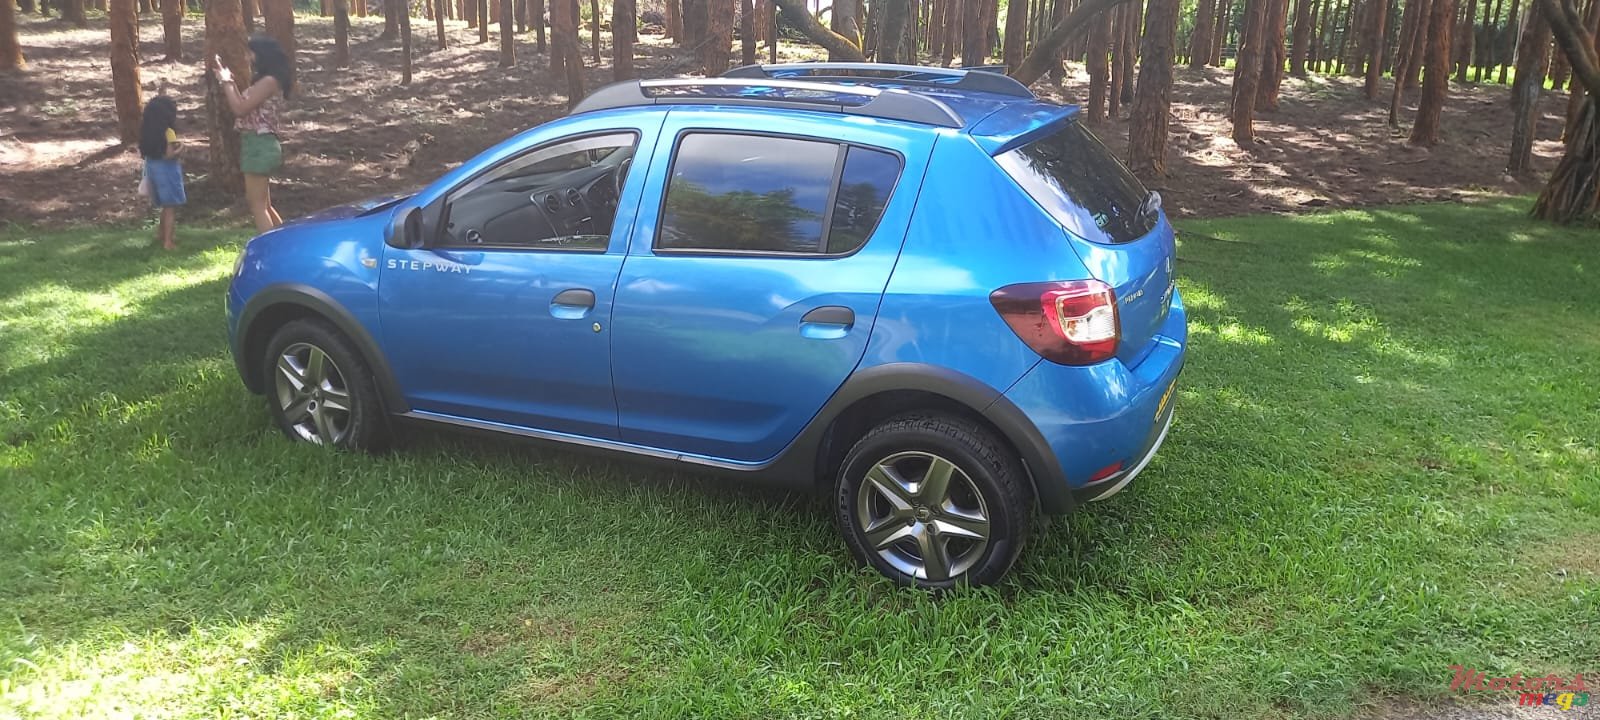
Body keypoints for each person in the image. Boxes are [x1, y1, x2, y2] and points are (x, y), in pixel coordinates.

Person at [212, 36, 292, 232]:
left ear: (263, 55)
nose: (249, 57)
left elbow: (239, 109)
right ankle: (285, 241)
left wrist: (226, 83)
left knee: (257, 206)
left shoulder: (269, 81)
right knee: (265, 205)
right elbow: (243, 103)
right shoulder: (266, 81)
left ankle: (270, 247)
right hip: (257, 144)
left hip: (259, 144)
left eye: (251, 53)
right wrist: (228, 80)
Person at [138, 95, 185, 250]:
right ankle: (168, 241)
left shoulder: (147, 133)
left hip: (153, 171)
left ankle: (161, 234)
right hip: (168, 172)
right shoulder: (169, 132)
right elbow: (169, 155)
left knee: (165, 206)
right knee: (170, 207)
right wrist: (181, 148)